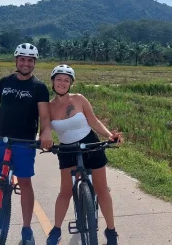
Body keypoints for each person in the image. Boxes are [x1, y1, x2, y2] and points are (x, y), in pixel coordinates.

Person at [0, 43, 53, 245]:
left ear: (34, 63)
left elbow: (44, 117)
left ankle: (26, 229)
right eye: (22, 59)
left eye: (30, 60)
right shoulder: (4, 82)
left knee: (25, 183)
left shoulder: (39, 88)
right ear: (16, 60)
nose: (26, 63)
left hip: (24, 142)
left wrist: (46, 132)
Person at [45, 64, 123, 245]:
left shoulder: (79, 99)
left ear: (70, 83)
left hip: (91, 144)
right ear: (53, 81)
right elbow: (45, 128)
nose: (62, 83)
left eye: (66, 80)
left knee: (102, 189)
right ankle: (56, 230)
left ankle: (111, 231)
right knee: (65, 192)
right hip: (67, 150)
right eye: (59, 79)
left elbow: (93, 121)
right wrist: (45, 140)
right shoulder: (48, 107)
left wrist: (109, 136)